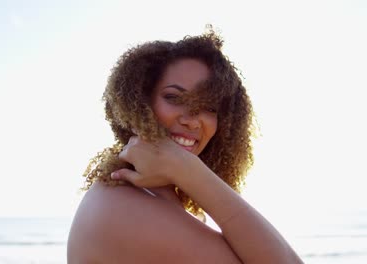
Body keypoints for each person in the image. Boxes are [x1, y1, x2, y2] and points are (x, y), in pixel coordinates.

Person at [67, 27, 303, 263]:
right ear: (139, 101)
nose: (192, 120)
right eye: (174, 98)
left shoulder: (149, 198)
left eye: (209, 107)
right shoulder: (123, 208)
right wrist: (187, 169)